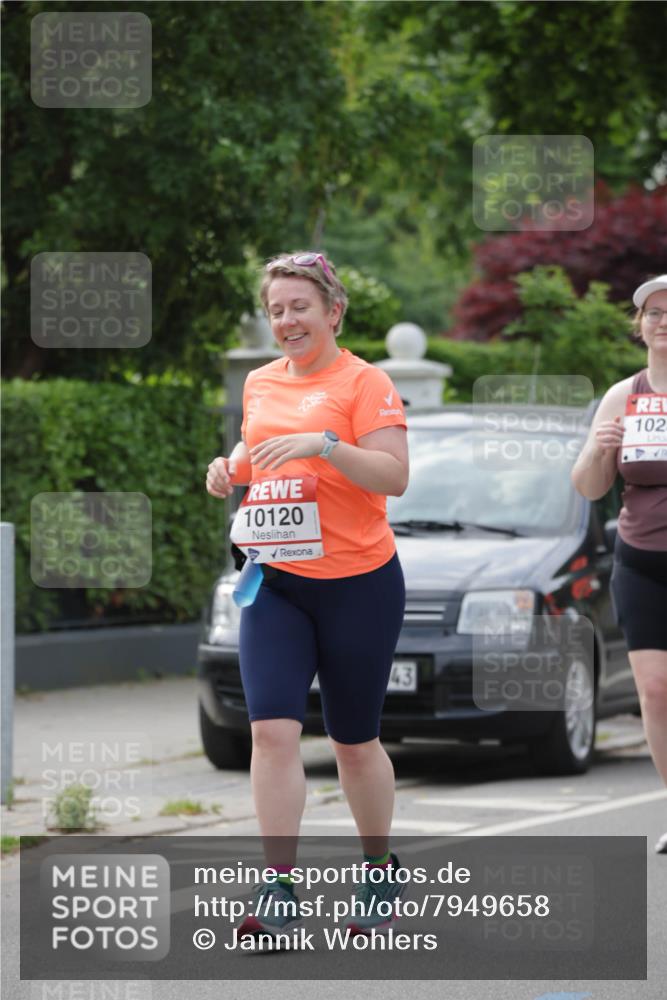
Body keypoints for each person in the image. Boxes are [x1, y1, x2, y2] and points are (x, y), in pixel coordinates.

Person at [206, 251, 410, 931]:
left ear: (333, 311)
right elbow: (255, 451)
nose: (287, 320)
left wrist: (322, 445)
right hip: (276, 581)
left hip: (358, 583)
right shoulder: (261, 382)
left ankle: (379, 870)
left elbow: (392, 475)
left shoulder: (365, 381)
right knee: (270, 732)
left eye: (300, 307)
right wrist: (228, 468)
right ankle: (278, 886)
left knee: (353, 741)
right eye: (277, 310)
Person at [571, 274, 667, 854]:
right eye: (653, 313)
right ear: (641, 326)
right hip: (641, 562)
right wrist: (600, 447)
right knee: (654, 691)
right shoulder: (622, 396)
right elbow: (588, 486)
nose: (663, 321)